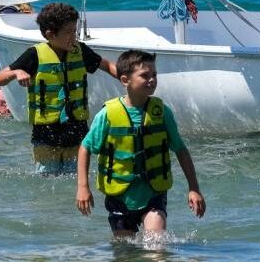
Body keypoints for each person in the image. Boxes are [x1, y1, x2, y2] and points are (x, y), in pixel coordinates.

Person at [77, 50, 206, 238]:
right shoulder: (107, 115)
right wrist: (83, 187)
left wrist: (194, 188)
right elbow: (85, 148)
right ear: (125, 80)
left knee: (156, 243)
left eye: (154, 75)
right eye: (144, 75)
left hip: (153, 192)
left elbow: (180, 149)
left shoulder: (162, 112)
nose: (152, 79)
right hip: (119, 195)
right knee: (124, 251)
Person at [0, 2, 119, 174]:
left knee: (74, 179)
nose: (73, 36)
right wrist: (17, 73)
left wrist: (129, 77)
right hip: (46, 133)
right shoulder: (34, 55)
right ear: (50, 34)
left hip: (77, 130)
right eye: (68, 32)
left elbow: (107, 66)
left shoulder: (80, 51)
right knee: (47, 179)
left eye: (74, 30)